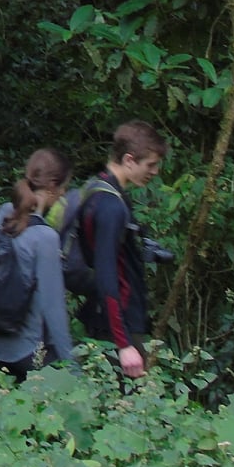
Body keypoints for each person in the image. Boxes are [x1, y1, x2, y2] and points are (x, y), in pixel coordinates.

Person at [75, 120, 167, 378]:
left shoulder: (98, 188)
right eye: (150, 164)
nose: (155, 171)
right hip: (117, 325)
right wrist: (124, 344)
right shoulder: (111, 206)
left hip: (105, 319)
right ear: (129, 159)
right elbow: (107, 277)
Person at [0, 148, 77, 380]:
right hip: (26, 352)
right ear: (52, 186)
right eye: (63, 187)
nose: (63, 194)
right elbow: (53, 309)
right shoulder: (44, 237)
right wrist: (73, 368)